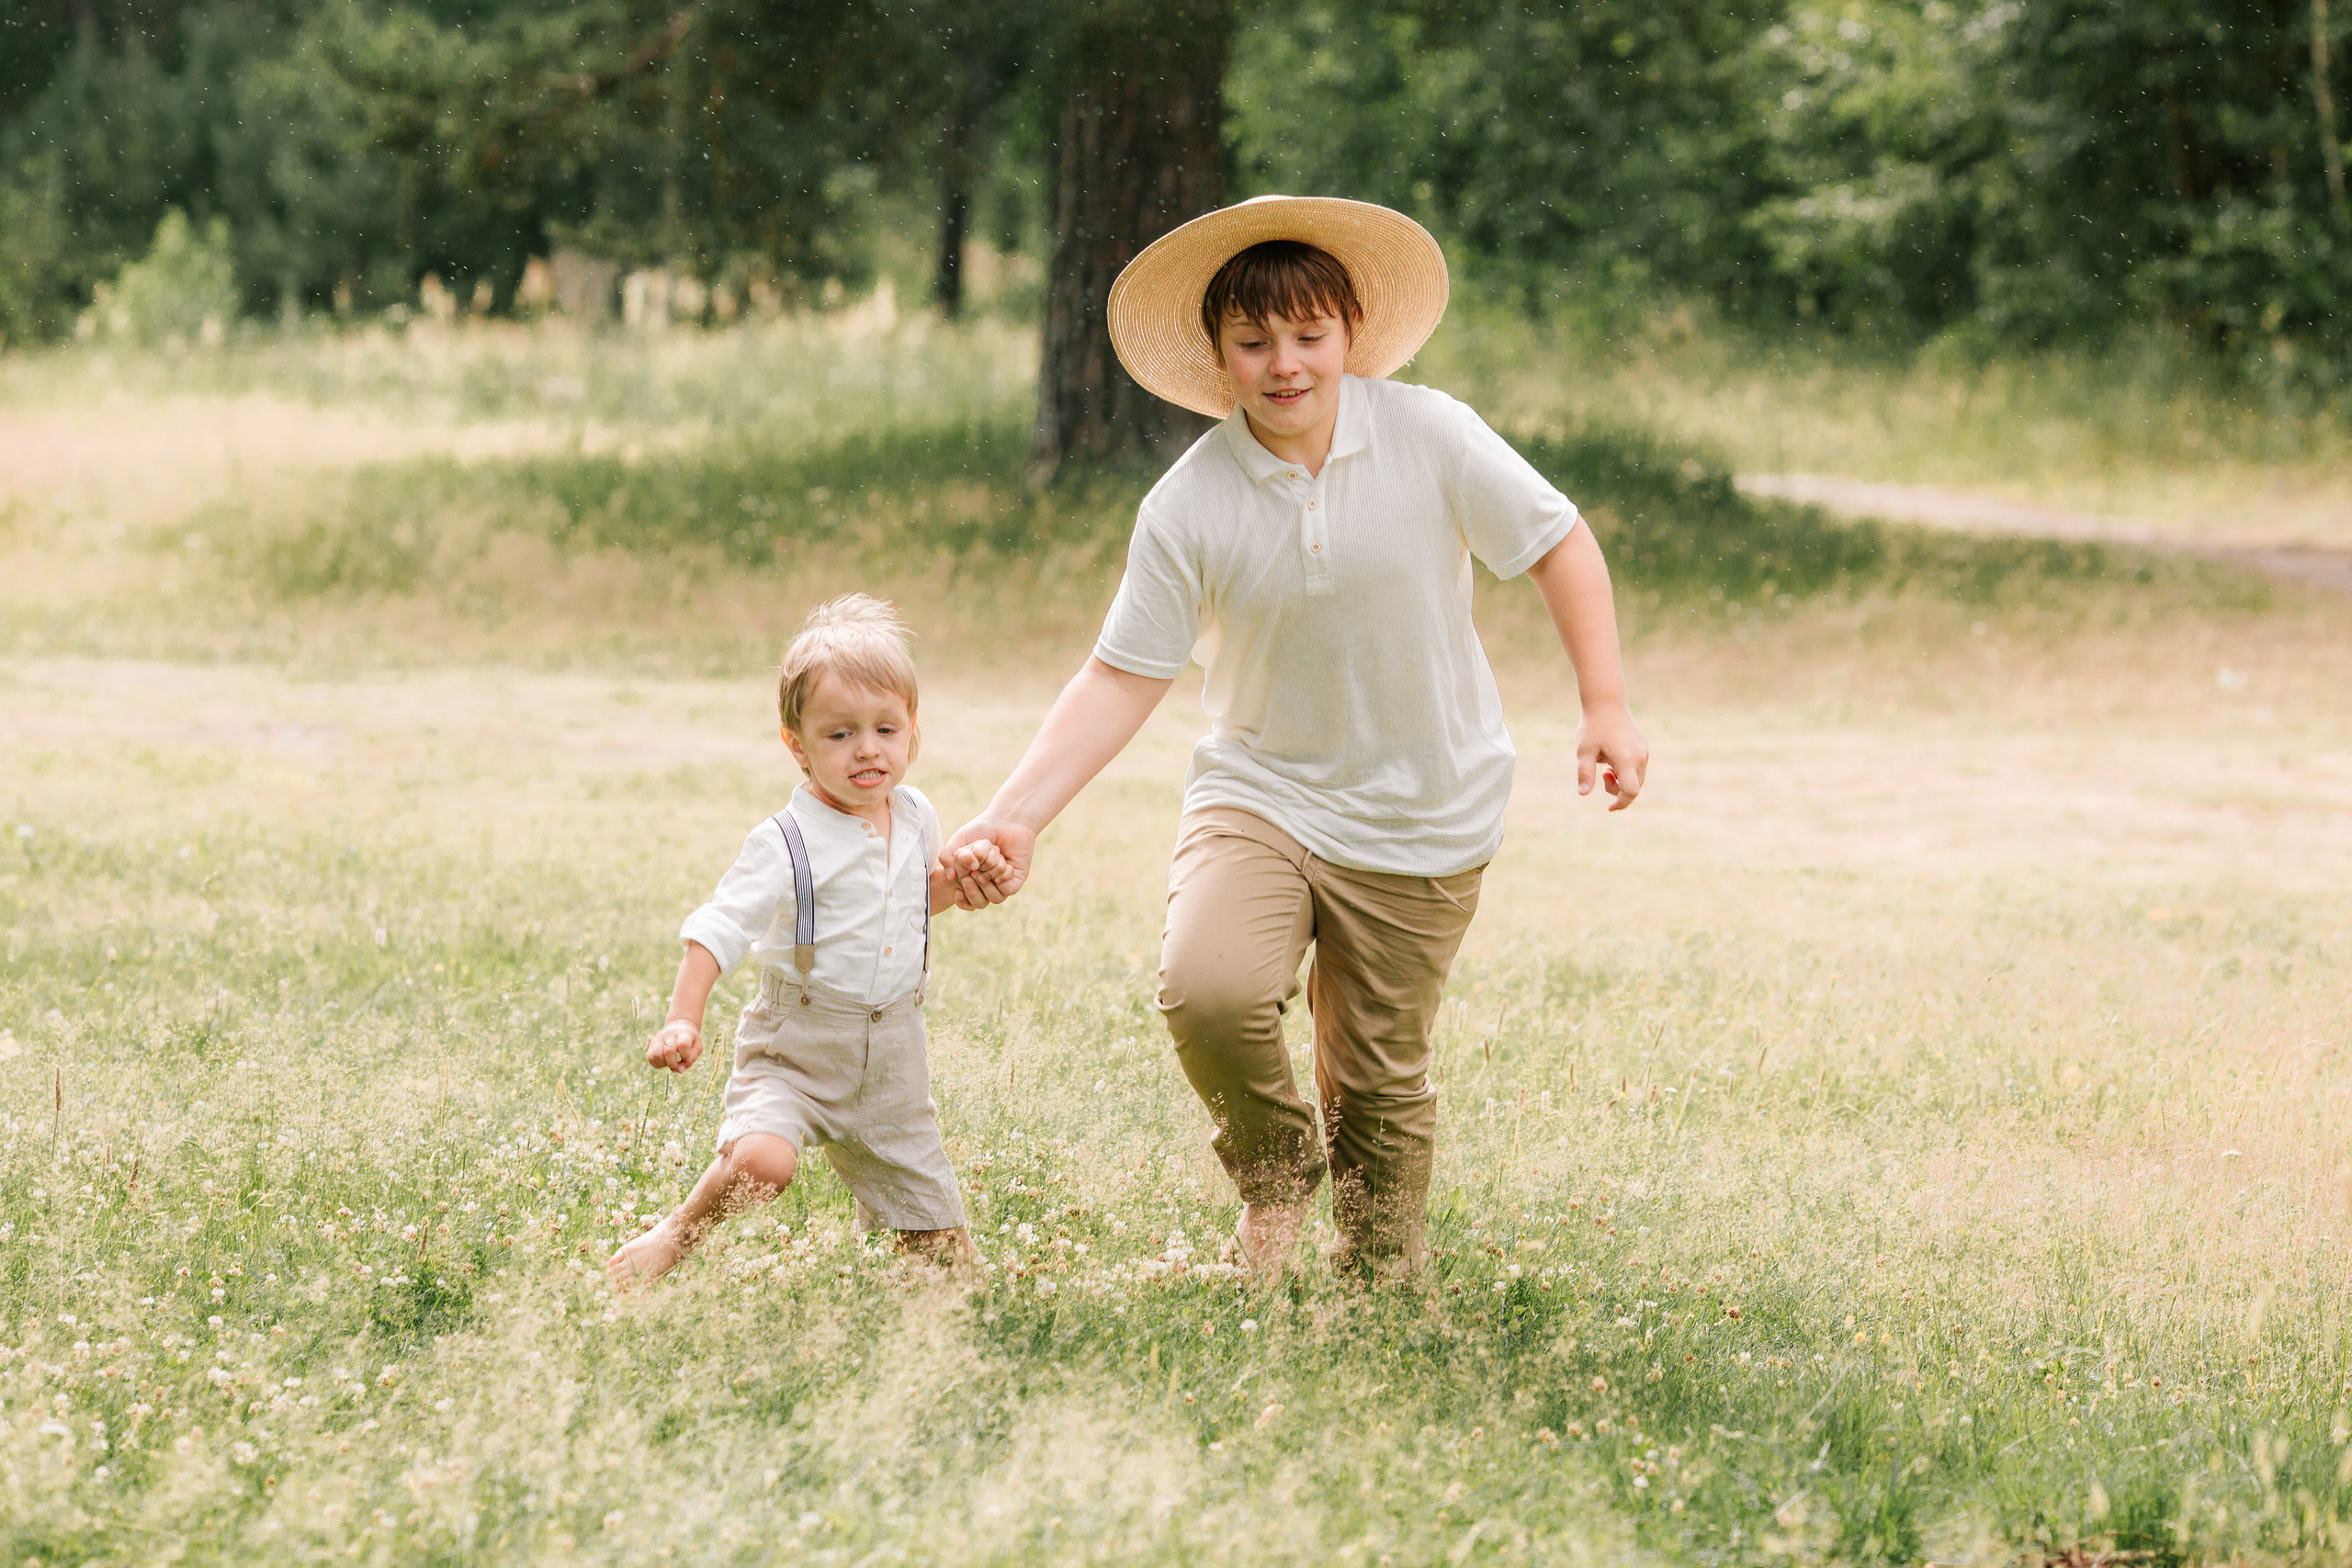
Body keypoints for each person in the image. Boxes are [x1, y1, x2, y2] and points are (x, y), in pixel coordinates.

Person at [945, 196, 1649, 1280]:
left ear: (1349, 333)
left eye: (1308, 335)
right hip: (1261, 790)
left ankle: (1376, 1280)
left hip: (1426, 805)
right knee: (1209, 990)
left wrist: (1604, 703)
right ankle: (1275, 1177)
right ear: (1217, 356)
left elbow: (1557, 542)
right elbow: (1120, 673)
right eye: (1255, 341)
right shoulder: (1189, 505)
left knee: (1375, 1080)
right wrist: (1014, 816)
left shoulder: (1431, 435)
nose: (1285, 364)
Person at [609, 594, 1010, 1286]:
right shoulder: (783, 842)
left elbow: (918, 900)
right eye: (839, 733)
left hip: (892, 1053)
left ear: (914, 733)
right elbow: (718, 928)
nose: (867, 749)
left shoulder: (916, 816)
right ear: (796, 743)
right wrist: (683, 1016)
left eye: (886, 728)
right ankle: (676, 1235)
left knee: (945, 1258)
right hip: (797, 1045)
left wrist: (967, 882)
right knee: (764, 1160)